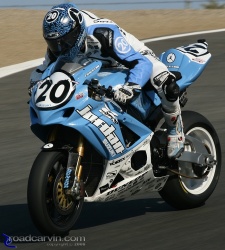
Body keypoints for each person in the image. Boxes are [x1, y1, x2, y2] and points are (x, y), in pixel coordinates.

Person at [30, 3, 184, 158]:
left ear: (77, 31)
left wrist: (131, 87)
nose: (60, 48)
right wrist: (34, 85)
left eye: (65, 41)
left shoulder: (103, 33)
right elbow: (44, 70)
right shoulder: (59, 44)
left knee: (164, 83)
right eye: (54, 43)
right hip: (98, 66)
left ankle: (175, 132)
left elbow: (142, 63)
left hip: (132, 58)